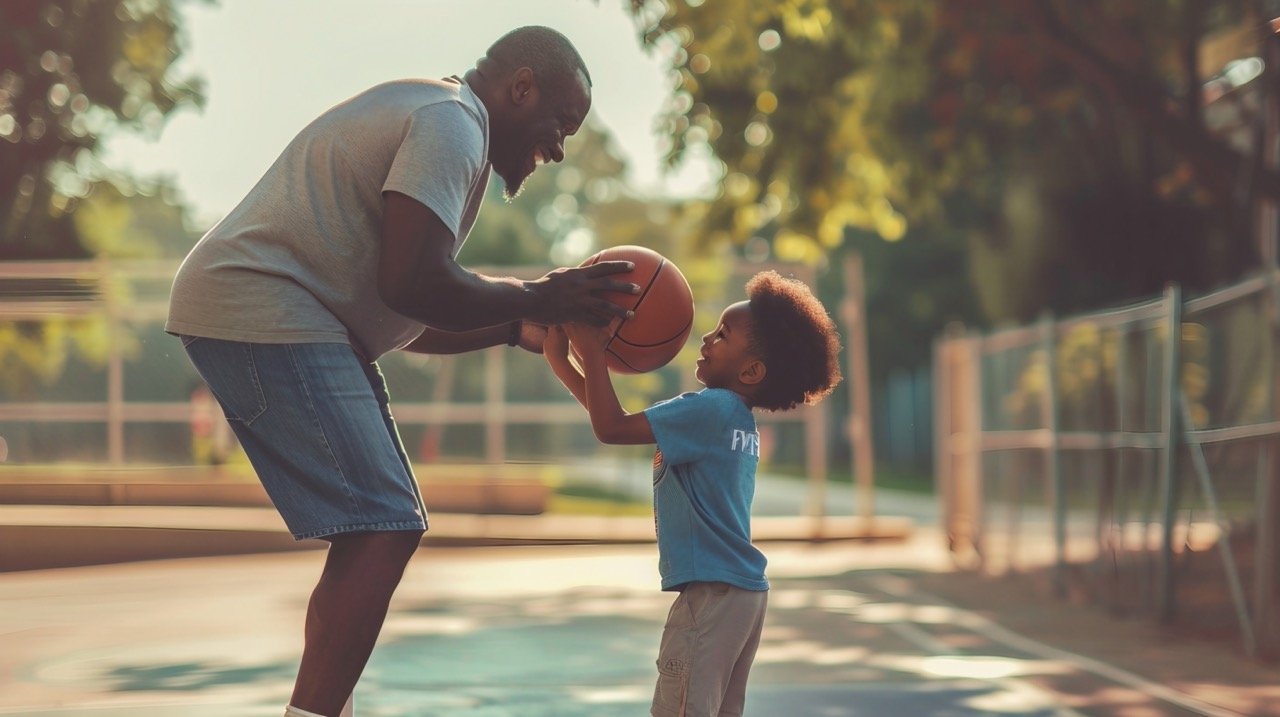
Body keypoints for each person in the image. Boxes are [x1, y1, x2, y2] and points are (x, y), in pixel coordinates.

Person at [165, 26, 639, 717]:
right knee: (387, 523)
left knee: (376, 527)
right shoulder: (451, 126)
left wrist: (514, 324)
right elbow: (414, 281)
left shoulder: (448, 122)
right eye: (560, 124)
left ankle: (325, 708)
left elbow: (407, 309)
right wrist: (540, 294)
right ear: (521, 88)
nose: (560, 148)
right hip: (261, 302)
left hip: (283, 310)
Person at [543, 270, 843, 717]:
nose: (707, 336)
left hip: (714, 594)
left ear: (752, 370)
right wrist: (564, 360)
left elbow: (611, 427)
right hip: (741, 594)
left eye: (723, 334)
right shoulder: (731, 416)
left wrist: (590, 350)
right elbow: (619, 420)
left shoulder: (710, 408)